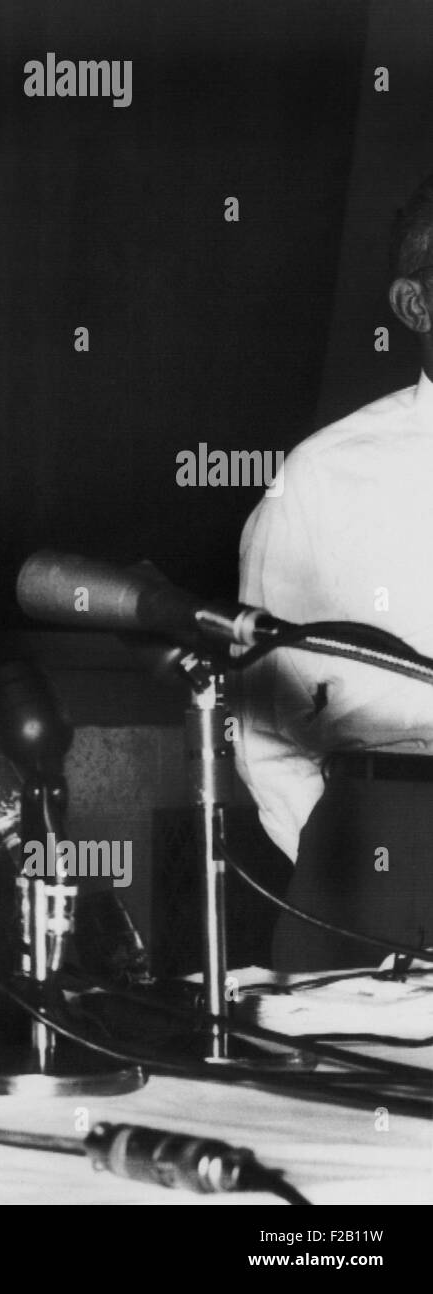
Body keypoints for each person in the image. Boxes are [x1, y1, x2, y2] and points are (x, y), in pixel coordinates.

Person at [234, 172, 433, 972]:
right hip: (382, 851)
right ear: (416, 307)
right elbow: (257, 721)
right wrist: (349, 856)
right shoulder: (323, 478)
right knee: (353, 1089)